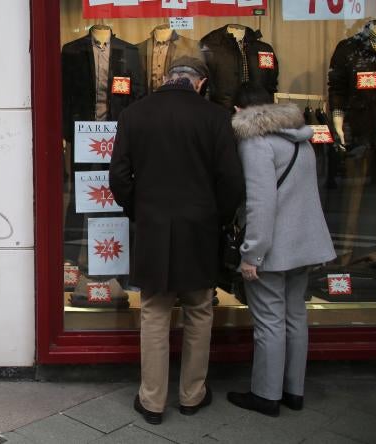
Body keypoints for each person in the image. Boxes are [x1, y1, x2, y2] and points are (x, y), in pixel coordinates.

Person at [109, 56, 245, 425]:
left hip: (153, 226)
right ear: (199, 83)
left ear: (167, 78)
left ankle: (152, 401)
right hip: (200, 229)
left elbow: (119, 176)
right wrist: (215, 216)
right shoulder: (215, 117)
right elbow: (231, 181)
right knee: (200, 310)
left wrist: (140, 209)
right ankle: (191, 395)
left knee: (154, 312)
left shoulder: (135, 114)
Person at [227, 83, 336, 417]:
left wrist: (251, 255)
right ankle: (294, 390)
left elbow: (261, 204)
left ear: (237, 111)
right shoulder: (299, 140)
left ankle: (266, 395)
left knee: (270, 321)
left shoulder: (255, 143)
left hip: (272, 249)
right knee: (295, 317)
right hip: (304, 246)